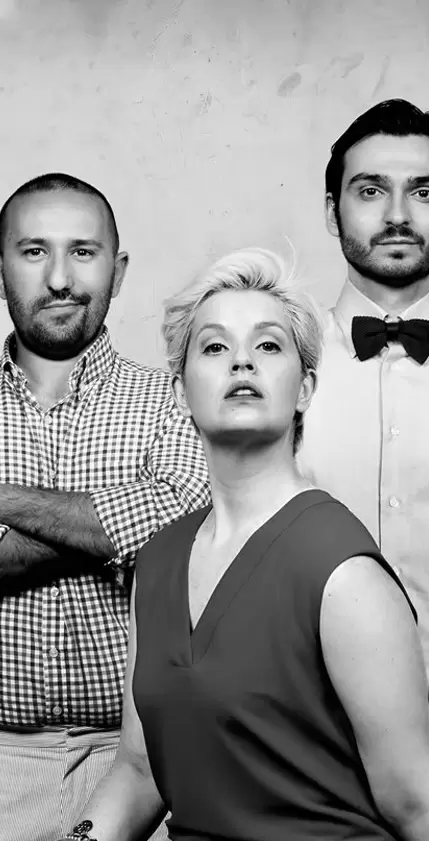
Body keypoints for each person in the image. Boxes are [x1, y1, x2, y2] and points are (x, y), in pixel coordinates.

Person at [61, 248, 429, 841]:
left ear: (305, 388)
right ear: (179, 392)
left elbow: (417, 802)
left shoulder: (343, 573)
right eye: (214, 347)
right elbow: (139, 770)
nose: (242, 361)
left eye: (268, 345)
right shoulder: (158, 559)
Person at [0, 172, 209, 841]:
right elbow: (156, 523)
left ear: (117, 272)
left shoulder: (175, 397)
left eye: (83, 252)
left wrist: (6, 501)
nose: (60, 279)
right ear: (0, 267)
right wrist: (116, 530)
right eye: (35, 251)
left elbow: (186, 513)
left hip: (151, 764)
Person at [297, 98, 429, 836]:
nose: (398, 214)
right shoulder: (271, 366)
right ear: (331, 209)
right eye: (371, 189)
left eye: (424, 192)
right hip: (303, 755)